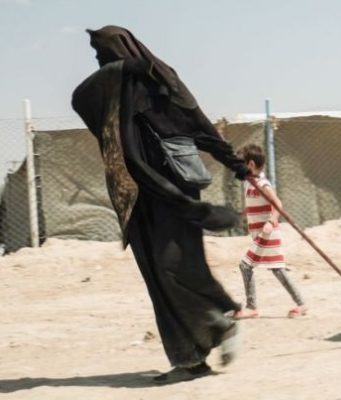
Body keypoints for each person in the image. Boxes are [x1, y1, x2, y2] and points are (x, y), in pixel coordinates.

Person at [71, 26, 251, 384]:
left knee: (175, 265)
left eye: (102, 53)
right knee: (156, 274)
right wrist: (124, 69)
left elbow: (198, 126)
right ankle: (189, 359)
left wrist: (237, 165)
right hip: (137, 196)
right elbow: (80, 98)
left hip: (172, 190)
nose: (99, 60)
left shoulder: (161, 81)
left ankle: (220, 323)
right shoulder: (114, 87)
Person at [233, 144, 306, 319]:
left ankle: (251, 308)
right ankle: (301, 304)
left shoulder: (262, 183)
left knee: (245, 265)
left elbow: (278, 204)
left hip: (267, 234)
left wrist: (271, 221)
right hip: (259, 235)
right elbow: (252, 206)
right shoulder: (249, 183)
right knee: (277, 269)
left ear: (250, 165)